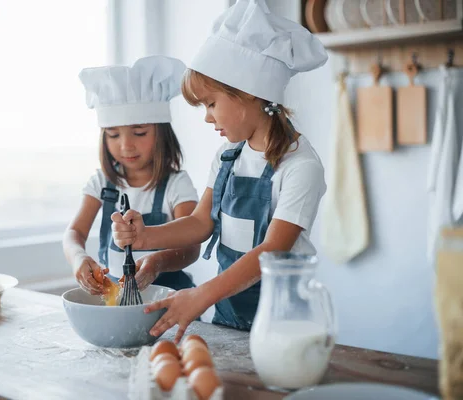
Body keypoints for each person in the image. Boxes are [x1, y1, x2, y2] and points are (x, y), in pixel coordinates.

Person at [111, 0, 329, 342]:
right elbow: (201, 223)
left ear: (249, 93)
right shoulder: (228, 156)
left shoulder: (300, 167)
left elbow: (271, 251)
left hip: (284, 322)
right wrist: (145, 237)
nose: (207, 117)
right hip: (228, 315)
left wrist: (200, 296)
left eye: (211, 103)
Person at [63, 56, 200, 298]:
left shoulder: (176, 185)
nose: (126, 146)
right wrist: (78, 257)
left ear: (162, 134)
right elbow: (74, 233)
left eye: (139, 132)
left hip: (170, 299)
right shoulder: (101, 183)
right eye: (113, 135)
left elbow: (191, 248)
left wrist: (157, 262)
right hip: (118, 296)